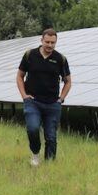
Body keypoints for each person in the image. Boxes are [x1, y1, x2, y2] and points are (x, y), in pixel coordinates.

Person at [16, 28, 72, 166]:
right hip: (33, 101)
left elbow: (68, 81)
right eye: (47, 42)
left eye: (53, 42)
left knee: (51, 137)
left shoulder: (61, 59)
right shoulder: (30, 55)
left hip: (53, 104)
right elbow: (19, 76)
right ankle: (35, 154)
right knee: (33, 128)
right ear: (41, 40)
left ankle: (49, 165)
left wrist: (61, 98)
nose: (50, 45)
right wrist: (24, 95)